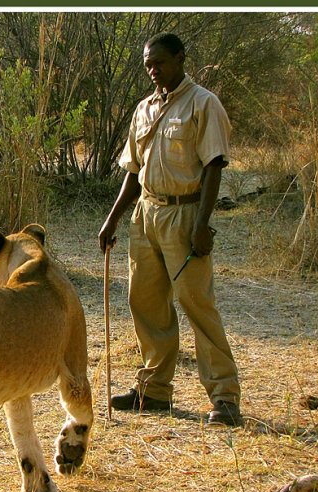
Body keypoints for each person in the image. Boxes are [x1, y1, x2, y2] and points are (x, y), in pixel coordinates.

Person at [97, 32, 242, 426]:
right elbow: (133, 170)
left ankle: (225, 397)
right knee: (144, 302)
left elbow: (214, 166)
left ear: (180, 59)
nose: (153, 69)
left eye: (159, 61)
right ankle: (154, 391)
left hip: (185, 215)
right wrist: (112, 218)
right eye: (148, 63)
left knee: (197, 303)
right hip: (145, 215)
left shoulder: (203, 104)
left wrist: (202, 225)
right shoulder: (144, 108)